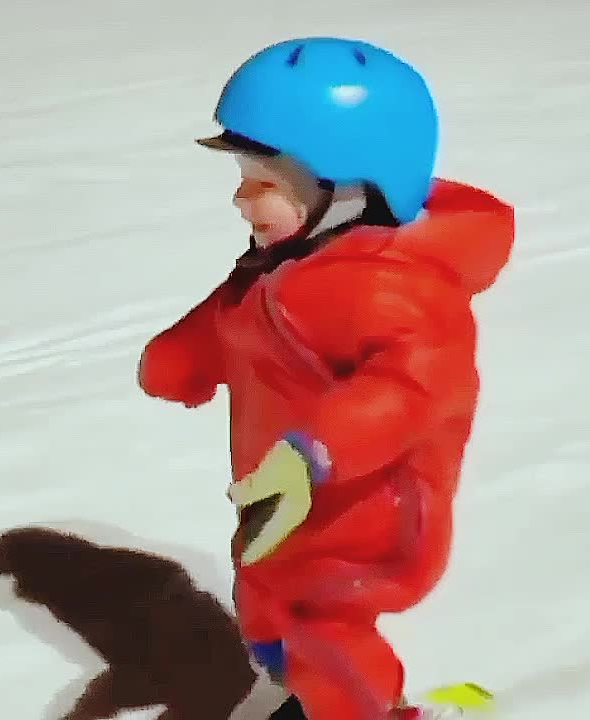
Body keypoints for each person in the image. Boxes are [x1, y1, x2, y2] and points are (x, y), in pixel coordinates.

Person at [137, 36, 515, 720]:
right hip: (280, 495)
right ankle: (311, 690)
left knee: (325, 633)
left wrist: (315, 450)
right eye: (244, 175)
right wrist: (181, 358)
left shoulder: (394, 290)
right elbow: (237, 319)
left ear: (350, 189)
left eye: (265, 182)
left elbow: (415, 386)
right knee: (267, 608)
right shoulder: (284, 266)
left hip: (365, 511)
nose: (240, 197)